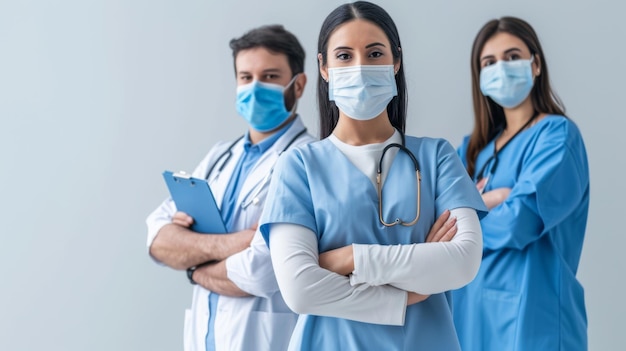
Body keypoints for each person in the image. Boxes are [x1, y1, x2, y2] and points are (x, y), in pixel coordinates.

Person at [258, 2, 488, 350]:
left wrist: (348, 258)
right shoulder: (298, 166)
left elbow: (463, 262)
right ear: (324, 67)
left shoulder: (437, 157)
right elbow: (300, 289)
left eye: (375, 53)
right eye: (345, 56)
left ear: (396, 61)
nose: (360, 67)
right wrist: (403, 292)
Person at [145, 25, 316, 351]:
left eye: (269, 76)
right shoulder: (220, 156)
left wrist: (191, 263)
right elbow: (157, 239)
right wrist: (237, 242)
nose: (254, 88)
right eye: (245, 77)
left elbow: (261, 271)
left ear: (299, 84)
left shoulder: (310, 162)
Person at [452, 16, 590, 351]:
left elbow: (520, 220)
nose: (502, 68)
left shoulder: (557, 136)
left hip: (533, 322)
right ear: (480, 76)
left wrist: (468, 217)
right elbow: (435, 223)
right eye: (490, 62)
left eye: (512, 57)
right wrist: (494, 200)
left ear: (536, 64)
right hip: (469, 320)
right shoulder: (472, 151)